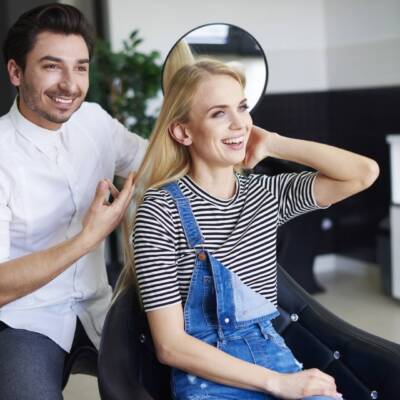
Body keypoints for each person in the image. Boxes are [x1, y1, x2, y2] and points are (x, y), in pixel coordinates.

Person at [116, 59, 379, 399]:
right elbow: (171, 345)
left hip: (273, 356)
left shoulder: (265, 193)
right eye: (219, 113)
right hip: (208, 376)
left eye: (242, 107)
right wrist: (279, 384)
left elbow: (363, 173)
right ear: (183, 131)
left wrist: (273, 144)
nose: (239, 124)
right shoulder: (160, 209)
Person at [0, 4, 146, 399]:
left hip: (100, 303)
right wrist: (86, 238)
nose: (70, 84)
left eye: (80, 67)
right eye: (51, 66)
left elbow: (153, 163)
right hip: (26, 318)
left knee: (176, 384)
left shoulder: (94, 121)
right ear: (16, 72)